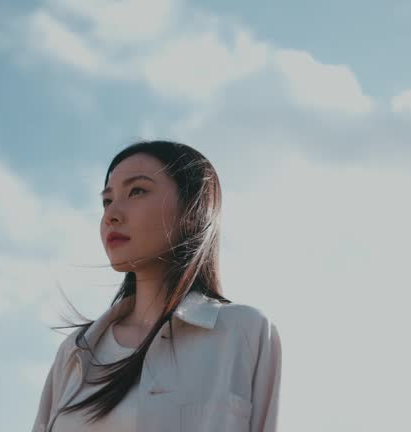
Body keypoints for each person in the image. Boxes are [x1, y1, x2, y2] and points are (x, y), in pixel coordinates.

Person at [32, 140, 282, 432]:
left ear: (192, 210)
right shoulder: (76, 352)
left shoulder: (245, 332)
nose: (111, 214)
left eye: (137, 191)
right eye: (107, 200)